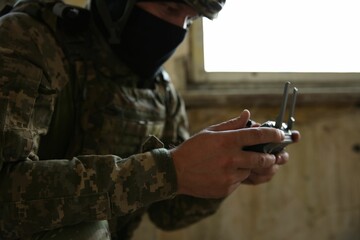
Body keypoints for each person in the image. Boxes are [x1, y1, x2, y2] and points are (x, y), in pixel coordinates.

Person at [0, 0, 300, 239]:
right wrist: (170, 170)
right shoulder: (28, 41)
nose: (176, 29)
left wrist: (230, 170)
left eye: (189, 19)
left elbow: (168, 214)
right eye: (169, 7)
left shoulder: (161, 92)